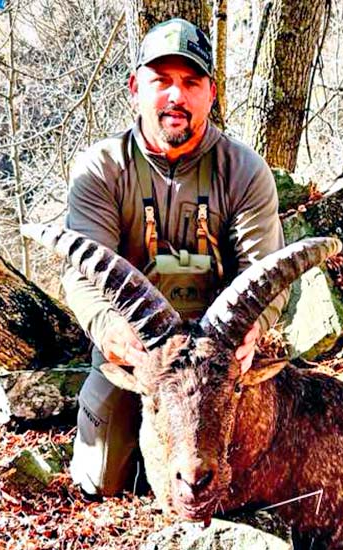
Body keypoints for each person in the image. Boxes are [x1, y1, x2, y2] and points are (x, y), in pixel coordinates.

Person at [63, 17, 288, 498]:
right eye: (161, 80)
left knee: (250, 473)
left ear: (211, 94)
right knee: (100, 482)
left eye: (190, 82)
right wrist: (108, 328)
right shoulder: (101, 169)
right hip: (141, 350)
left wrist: (253, 327)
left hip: (215, 350)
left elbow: (266, 273)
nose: (175, 96)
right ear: (135, 88)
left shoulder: (244, 170)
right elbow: (81, 273)